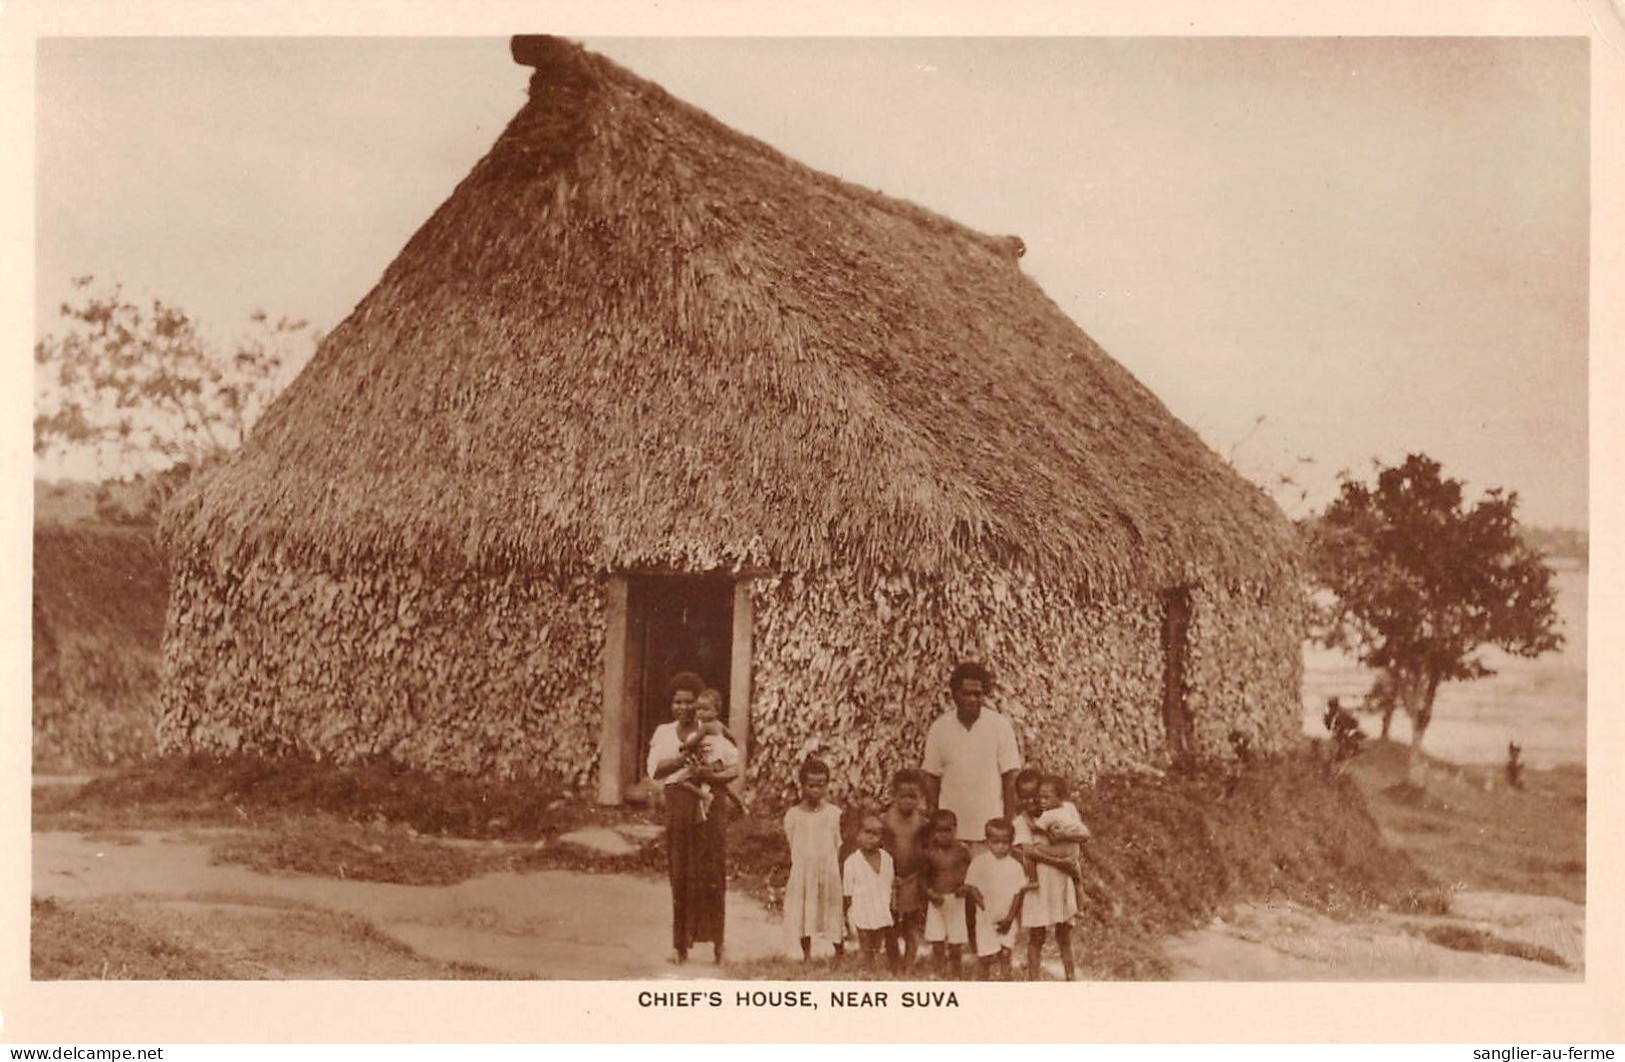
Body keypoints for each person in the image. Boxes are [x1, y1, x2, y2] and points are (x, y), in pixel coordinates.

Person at [646, 670, 737, 965]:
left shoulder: (712, 729)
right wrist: (685, 759)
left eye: (689, 702)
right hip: (679, 806)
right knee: (680, 873)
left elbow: (734, 766)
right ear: (671, 704)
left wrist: (709, 773)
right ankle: (679, 945)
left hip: (711, 807)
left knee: (712, 874)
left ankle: (718, 945)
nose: (683, 708)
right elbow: (657, 770)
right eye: (677, 702)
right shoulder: (663, 732)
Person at [921, 661, 1022, 853]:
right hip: (951, 835)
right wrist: (936, 820)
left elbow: (1010, 777)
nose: (972, 699)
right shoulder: (940, 728)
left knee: (988, 882)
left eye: (978, 694)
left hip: (989, 834)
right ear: (954, 695)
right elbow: (930, 777)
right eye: (966, 693)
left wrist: (1007, 823)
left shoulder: (999, 726)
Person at [1011, 770, 1078, 981]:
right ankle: (1033, 980)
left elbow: (1074, 845)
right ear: (1018, 798)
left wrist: (1061, 860)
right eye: (1025, 797)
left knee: (1064, 934)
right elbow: (1028, 851)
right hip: (1039, 885)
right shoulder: (1020, 823)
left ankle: (1071, 977)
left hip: (1060, 882)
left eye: (1037, 795)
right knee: (1036, 936)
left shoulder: (1064, 810)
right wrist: (1060, 861)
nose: (1032, 801)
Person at [783, 757, 845, 961]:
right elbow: (792, 842)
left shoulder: (834, 814)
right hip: (804, 871)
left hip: (828, 869)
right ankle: (806, 952)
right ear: (802, 786)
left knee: (833, 909)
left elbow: (838, 843)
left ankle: (839, 950)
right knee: (804, 912)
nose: (816, 790)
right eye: (811, 785)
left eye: (821, 785)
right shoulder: (793, 816)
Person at [963, 818, 1033, 981]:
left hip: (1007, 917)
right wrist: (984, 907)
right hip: (986, 918)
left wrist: (1010, 917)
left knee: (1005, 952)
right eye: (996, 842)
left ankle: (1005, 983)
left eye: (1005, 842)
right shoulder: (979, 862)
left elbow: (1018, 893)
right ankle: (983, 983)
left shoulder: (1015, 866)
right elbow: (971, 887)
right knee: (985, 956)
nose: (1001, 846)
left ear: (1011, 842)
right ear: (987, 841)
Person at [663, 688, 742, 822]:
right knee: (722, 786)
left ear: (716, 711)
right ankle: (739, 803)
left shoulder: (705, 727)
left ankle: (704, 796)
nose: (700, 713)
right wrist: (730, 746)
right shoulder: (719, 725)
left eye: (706, 710)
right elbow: (732, 736)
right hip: (718, 760)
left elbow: (694, 742)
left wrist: (684, 747)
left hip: (709, 760)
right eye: (699, 709)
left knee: (682, 780)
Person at [880, 768, 931, 970]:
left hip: (912, 879)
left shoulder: (922, 822)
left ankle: (909, 963)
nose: (909, 801)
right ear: (894, 796)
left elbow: (926, 849)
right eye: (904, 796)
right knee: (890, 924)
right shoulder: (886, 820)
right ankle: (894, 961)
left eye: (914, 797)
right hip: (890, 880)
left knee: (911, 924)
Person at [921, 808, 972, 978]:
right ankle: (939, 970)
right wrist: (930, 893)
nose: (944, 835)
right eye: (939, 831)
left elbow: (969, 873)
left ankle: (956, 972)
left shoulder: (962, 851)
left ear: (955, 829)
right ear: (932, 832)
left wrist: (964, 887)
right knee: (937, 940)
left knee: (956, 941)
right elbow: (923, 878)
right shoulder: (929, 853)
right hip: (937, 901)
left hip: (956, 901)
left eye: (948, 830)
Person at [842, 813, 896, 971]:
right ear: (858, 834)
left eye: (876, 834)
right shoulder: (851, 862)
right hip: (862, 909)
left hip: (881, 908)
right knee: (865, 942)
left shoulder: (887, 859)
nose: (871, 838)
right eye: (867, 832)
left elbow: (890, 884)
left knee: (879, 942)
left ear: (881, 837)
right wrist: (847, 915)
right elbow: (848, 893)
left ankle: (883, 966)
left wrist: (892, 903)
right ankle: (867, 969)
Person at [1031, 774, 1092, 884]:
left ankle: (1033, 878)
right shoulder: (1068, 807)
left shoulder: (1049, 814)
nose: (1042, 801)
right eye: (1040, 797)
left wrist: (1064, 834)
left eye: (1046, 797)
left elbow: (1035, 828)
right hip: (1070, 854)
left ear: (1060, 797)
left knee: (1036, 847)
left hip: (1065, 852)